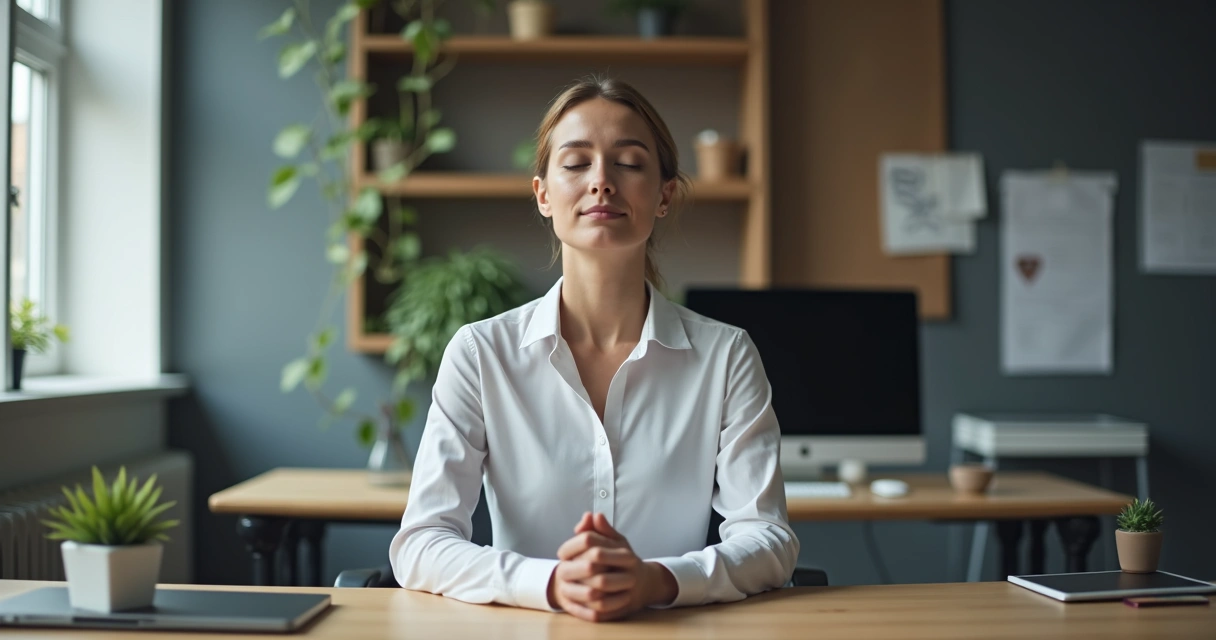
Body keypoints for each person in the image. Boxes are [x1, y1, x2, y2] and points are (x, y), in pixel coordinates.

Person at [389, 76, 798, 623]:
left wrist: (658, 580)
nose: (601, 181)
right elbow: (421, 543)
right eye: (577, 163)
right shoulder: (481, 354)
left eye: (629, 163)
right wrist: (553, 583)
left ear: (664, 195)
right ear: (543, 194)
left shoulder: (725, 356)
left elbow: (769, 539)